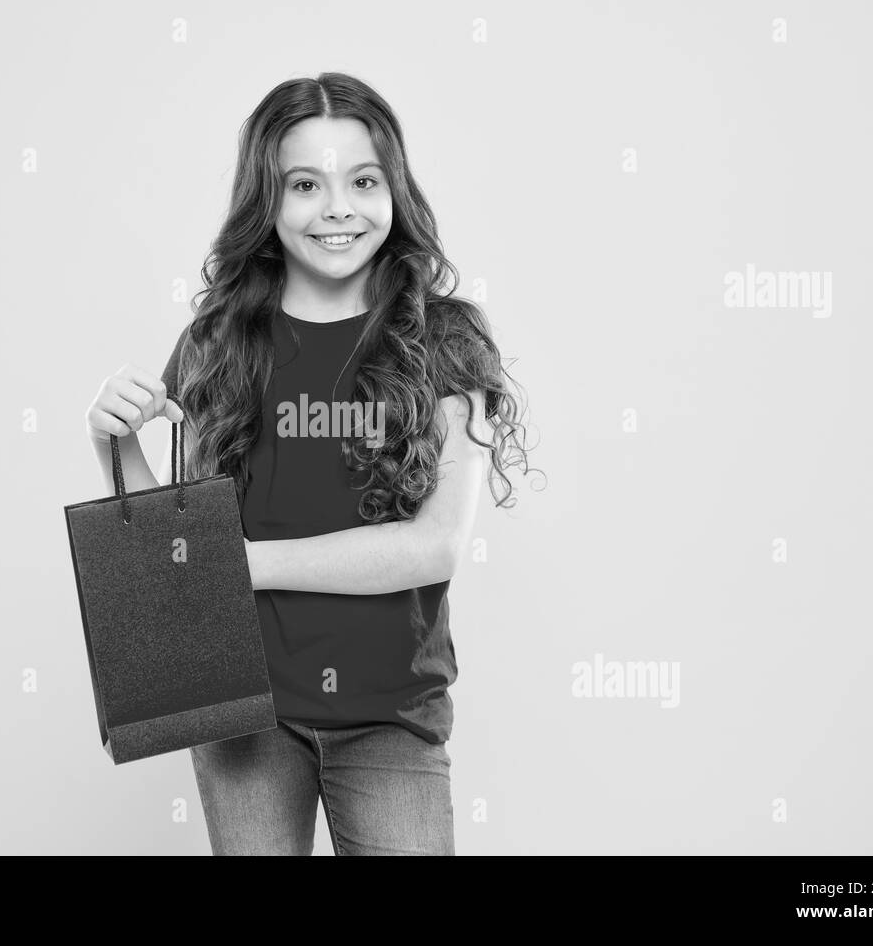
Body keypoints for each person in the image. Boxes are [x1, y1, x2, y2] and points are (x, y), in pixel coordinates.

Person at [85, 72, 539, 855]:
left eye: (363, 180)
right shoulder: (215, 345)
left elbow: (432, 546)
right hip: (244, 712)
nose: (337, 207)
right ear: (268, 202)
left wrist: (247, 562)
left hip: (392, 714)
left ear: (394, 189)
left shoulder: (447, 341)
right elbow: (180, 555)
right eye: (305, 184)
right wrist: (114, 442)